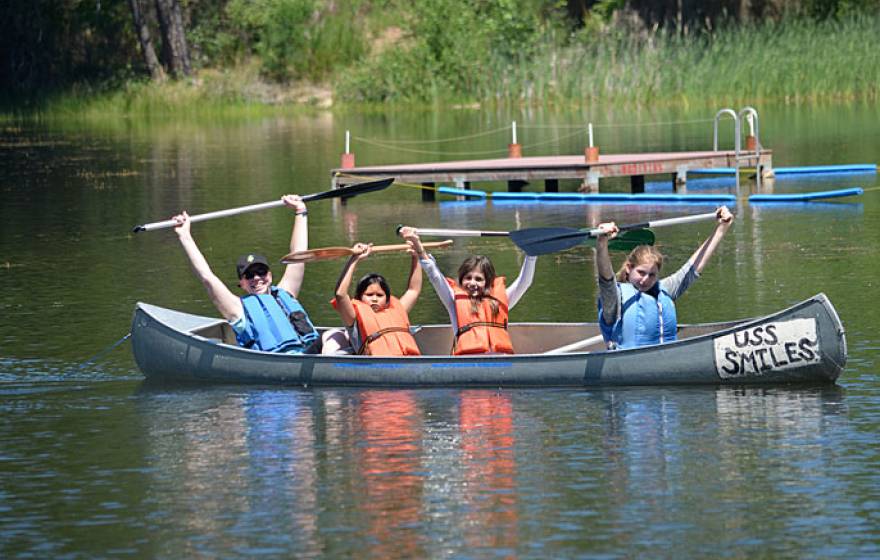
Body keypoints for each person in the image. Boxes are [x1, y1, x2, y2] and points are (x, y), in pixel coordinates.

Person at [172, 194, 321, 354]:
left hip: (312, 353)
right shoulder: (237, 309)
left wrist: (300, 210)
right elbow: (207, 277)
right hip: (282, 360)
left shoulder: (286, 293)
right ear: (241, 283)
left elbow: (299, 254)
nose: (256, 278)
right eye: (249, 275)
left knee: (335, 336)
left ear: (269, 276)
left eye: (260, 272)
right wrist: (185, 236)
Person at [594, 206, 735, 349]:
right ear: (629, 268)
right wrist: (602, 241)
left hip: (666, 360)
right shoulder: (615, 298)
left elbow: (692, 268)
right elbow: (606, 278)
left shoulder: (664, 289)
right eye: (641, 273)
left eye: (652, 275)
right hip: (624, 364)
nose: (645, 280)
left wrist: (722, 227)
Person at [399, 226, 537, 355]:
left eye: (478, 279)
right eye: (468, 278)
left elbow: (524, 282)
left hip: (501, 362)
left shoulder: (500, 300)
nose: (472, 283)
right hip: (468, 363)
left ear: (488, 282)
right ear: (461, 280)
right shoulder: (453, 300)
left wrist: (531, 254)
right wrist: (417, 244)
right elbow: (434, 275)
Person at [323, 242, 422, 356]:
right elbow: (340, 294)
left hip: (407, 360)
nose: (374, 299)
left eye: (380, 295)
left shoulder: (397, 308)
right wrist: (354, 259)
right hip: (376, 363)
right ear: (360, 297)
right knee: (332, 334)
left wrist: (416, 256)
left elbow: (413, 290)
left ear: (387, 298)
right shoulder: (353, 317)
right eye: (369, 295)